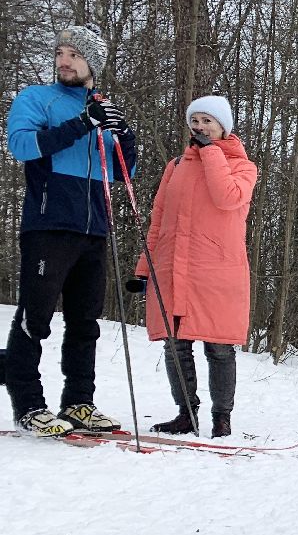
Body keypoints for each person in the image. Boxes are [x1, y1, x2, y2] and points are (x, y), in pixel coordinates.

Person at [4, 23, 136, 437]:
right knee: (35, 319)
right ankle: (29, 404)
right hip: (49, 224)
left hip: (95, 228)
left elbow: (120, 172)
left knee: (85, 322)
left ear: (91, 62)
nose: (64, 61)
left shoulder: (102, 105)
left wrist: (124, 135)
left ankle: (79, 402)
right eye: (61, 53)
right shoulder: (37, 98)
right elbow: (22, 146)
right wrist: (81, 124)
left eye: (74, 55)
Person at [131, 96, 257, 438]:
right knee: (175, 344)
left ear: (223, 128)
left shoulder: (243, 167)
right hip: (173, 268)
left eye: (207, 121)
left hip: (218, 270)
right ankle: (186, 414)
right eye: (195, 121)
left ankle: (222, 418)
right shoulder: (175, 166)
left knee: (218, 346)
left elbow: (228, 197)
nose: (199, 127)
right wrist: (144, 269)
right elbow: (158, 221)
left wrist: (210, 152)